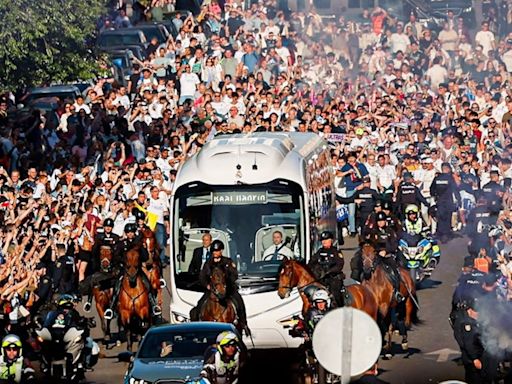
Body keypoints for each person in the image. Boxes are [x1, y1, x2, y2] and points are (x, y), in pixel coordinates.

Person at [104, 223, 161, 320]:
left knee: (146, 282)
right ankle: (111, 308)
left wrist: (141, 254)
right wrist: (124, 261)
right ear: (126, 233)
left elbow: (145, 257)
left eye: (131, 232)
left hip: (137, 270)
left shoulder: (139, 244)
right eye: (128, 232)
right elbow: (116, 256)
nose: (130, 234)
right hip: (125, 270)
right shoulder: (121, 244)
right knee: (117, 285)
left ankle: (153, 304)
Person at [191, 240, 249, 333]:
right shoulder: (208, 263)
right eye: (214, 251)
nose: (215, 253)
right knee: (200, 303)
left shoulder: (228, 262)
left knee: (239, 302)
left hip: (228, 289)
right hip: (213, 289)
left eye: (217, 251)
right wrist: (207, 285)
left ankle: (243, 324)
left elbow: (234, 275)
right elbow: (202, 276)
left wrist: (227, 284)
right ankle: (196, 324)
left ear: (221, 251)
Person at [307, 231, 345, 307]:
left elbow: (339, 265)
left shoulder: (336, 252)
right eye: (323, 240)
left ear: (331, 241)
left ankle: (339, 308)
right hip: (321, 278)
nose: (324, 242)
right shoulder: (319, 252)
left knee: (335, 294)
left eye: (326, 240)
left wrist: (328, 271)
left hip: (333, 278)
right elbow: (311, 263)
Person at [430, 162, 460, 243]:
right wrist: (459, 200)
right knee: (447, 218)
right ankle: (446, 235)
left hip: (439, 201)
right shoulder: (450, 178)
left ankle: (440, 234)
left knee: (440, 217)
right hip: (448, 201)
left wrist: (435, 196)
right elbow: (455, 190)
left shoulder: (437, 178)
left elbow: (432, 189)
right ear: (447, 169)